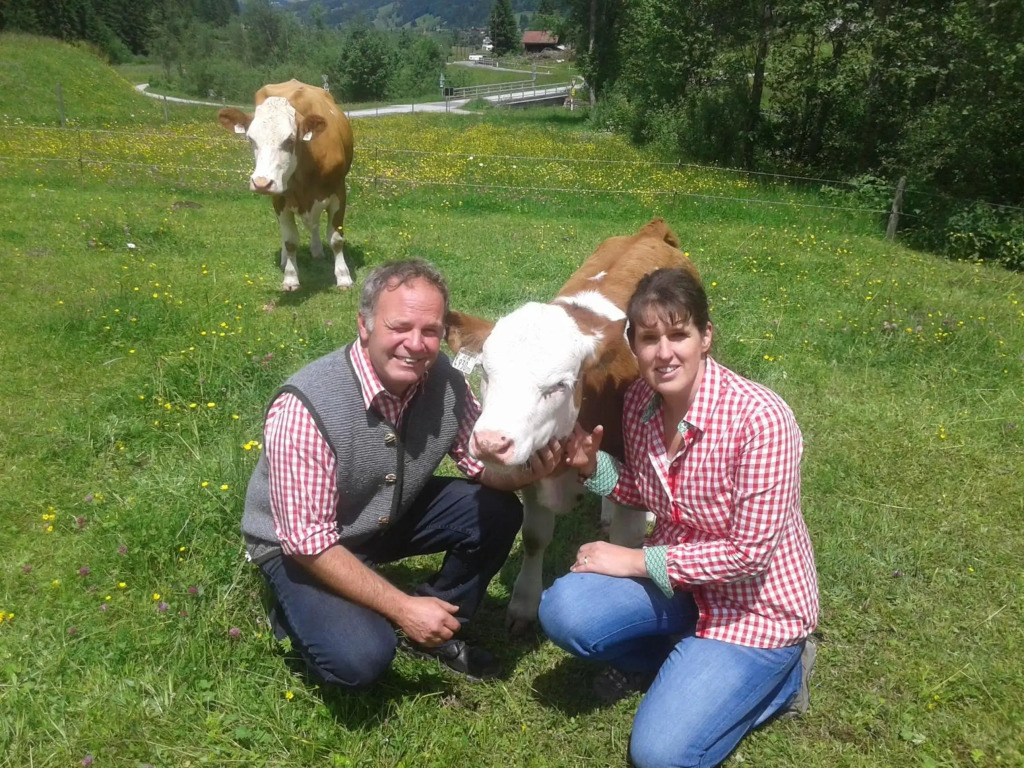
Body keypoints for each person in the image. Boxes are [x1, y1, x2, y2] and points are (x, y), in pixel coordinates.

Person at [541, 267, 819, 768]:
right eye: (649, 339)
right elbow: (651, 493)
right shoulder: (640, 403)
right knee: (564, 610)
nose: (664, 353)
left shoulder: (762, 420)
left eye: (678, 334)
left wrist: (633, 561)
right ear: (633, 345)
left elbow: (748, 555)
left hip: (753, 612)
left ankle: (785, 677)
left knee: (659, 755)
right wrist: (590, 466)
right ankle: (673, 660)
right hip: (682, 588)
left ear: (705, 336)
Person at [242, 259, 564, 687]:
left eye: (430, 331)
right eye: (399, 327)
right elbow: (306, 541)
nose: (415, 344)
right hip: (297, 547)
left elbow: (477, 466)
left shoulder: (445, 380)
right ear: (364, 326)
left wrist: (527, 473)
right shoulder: (306, 406)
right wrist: (401, 609)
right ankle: (295, 610)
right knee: (360, 660)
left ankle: (440, 619)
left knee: (497, 510)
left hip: (380, 513)